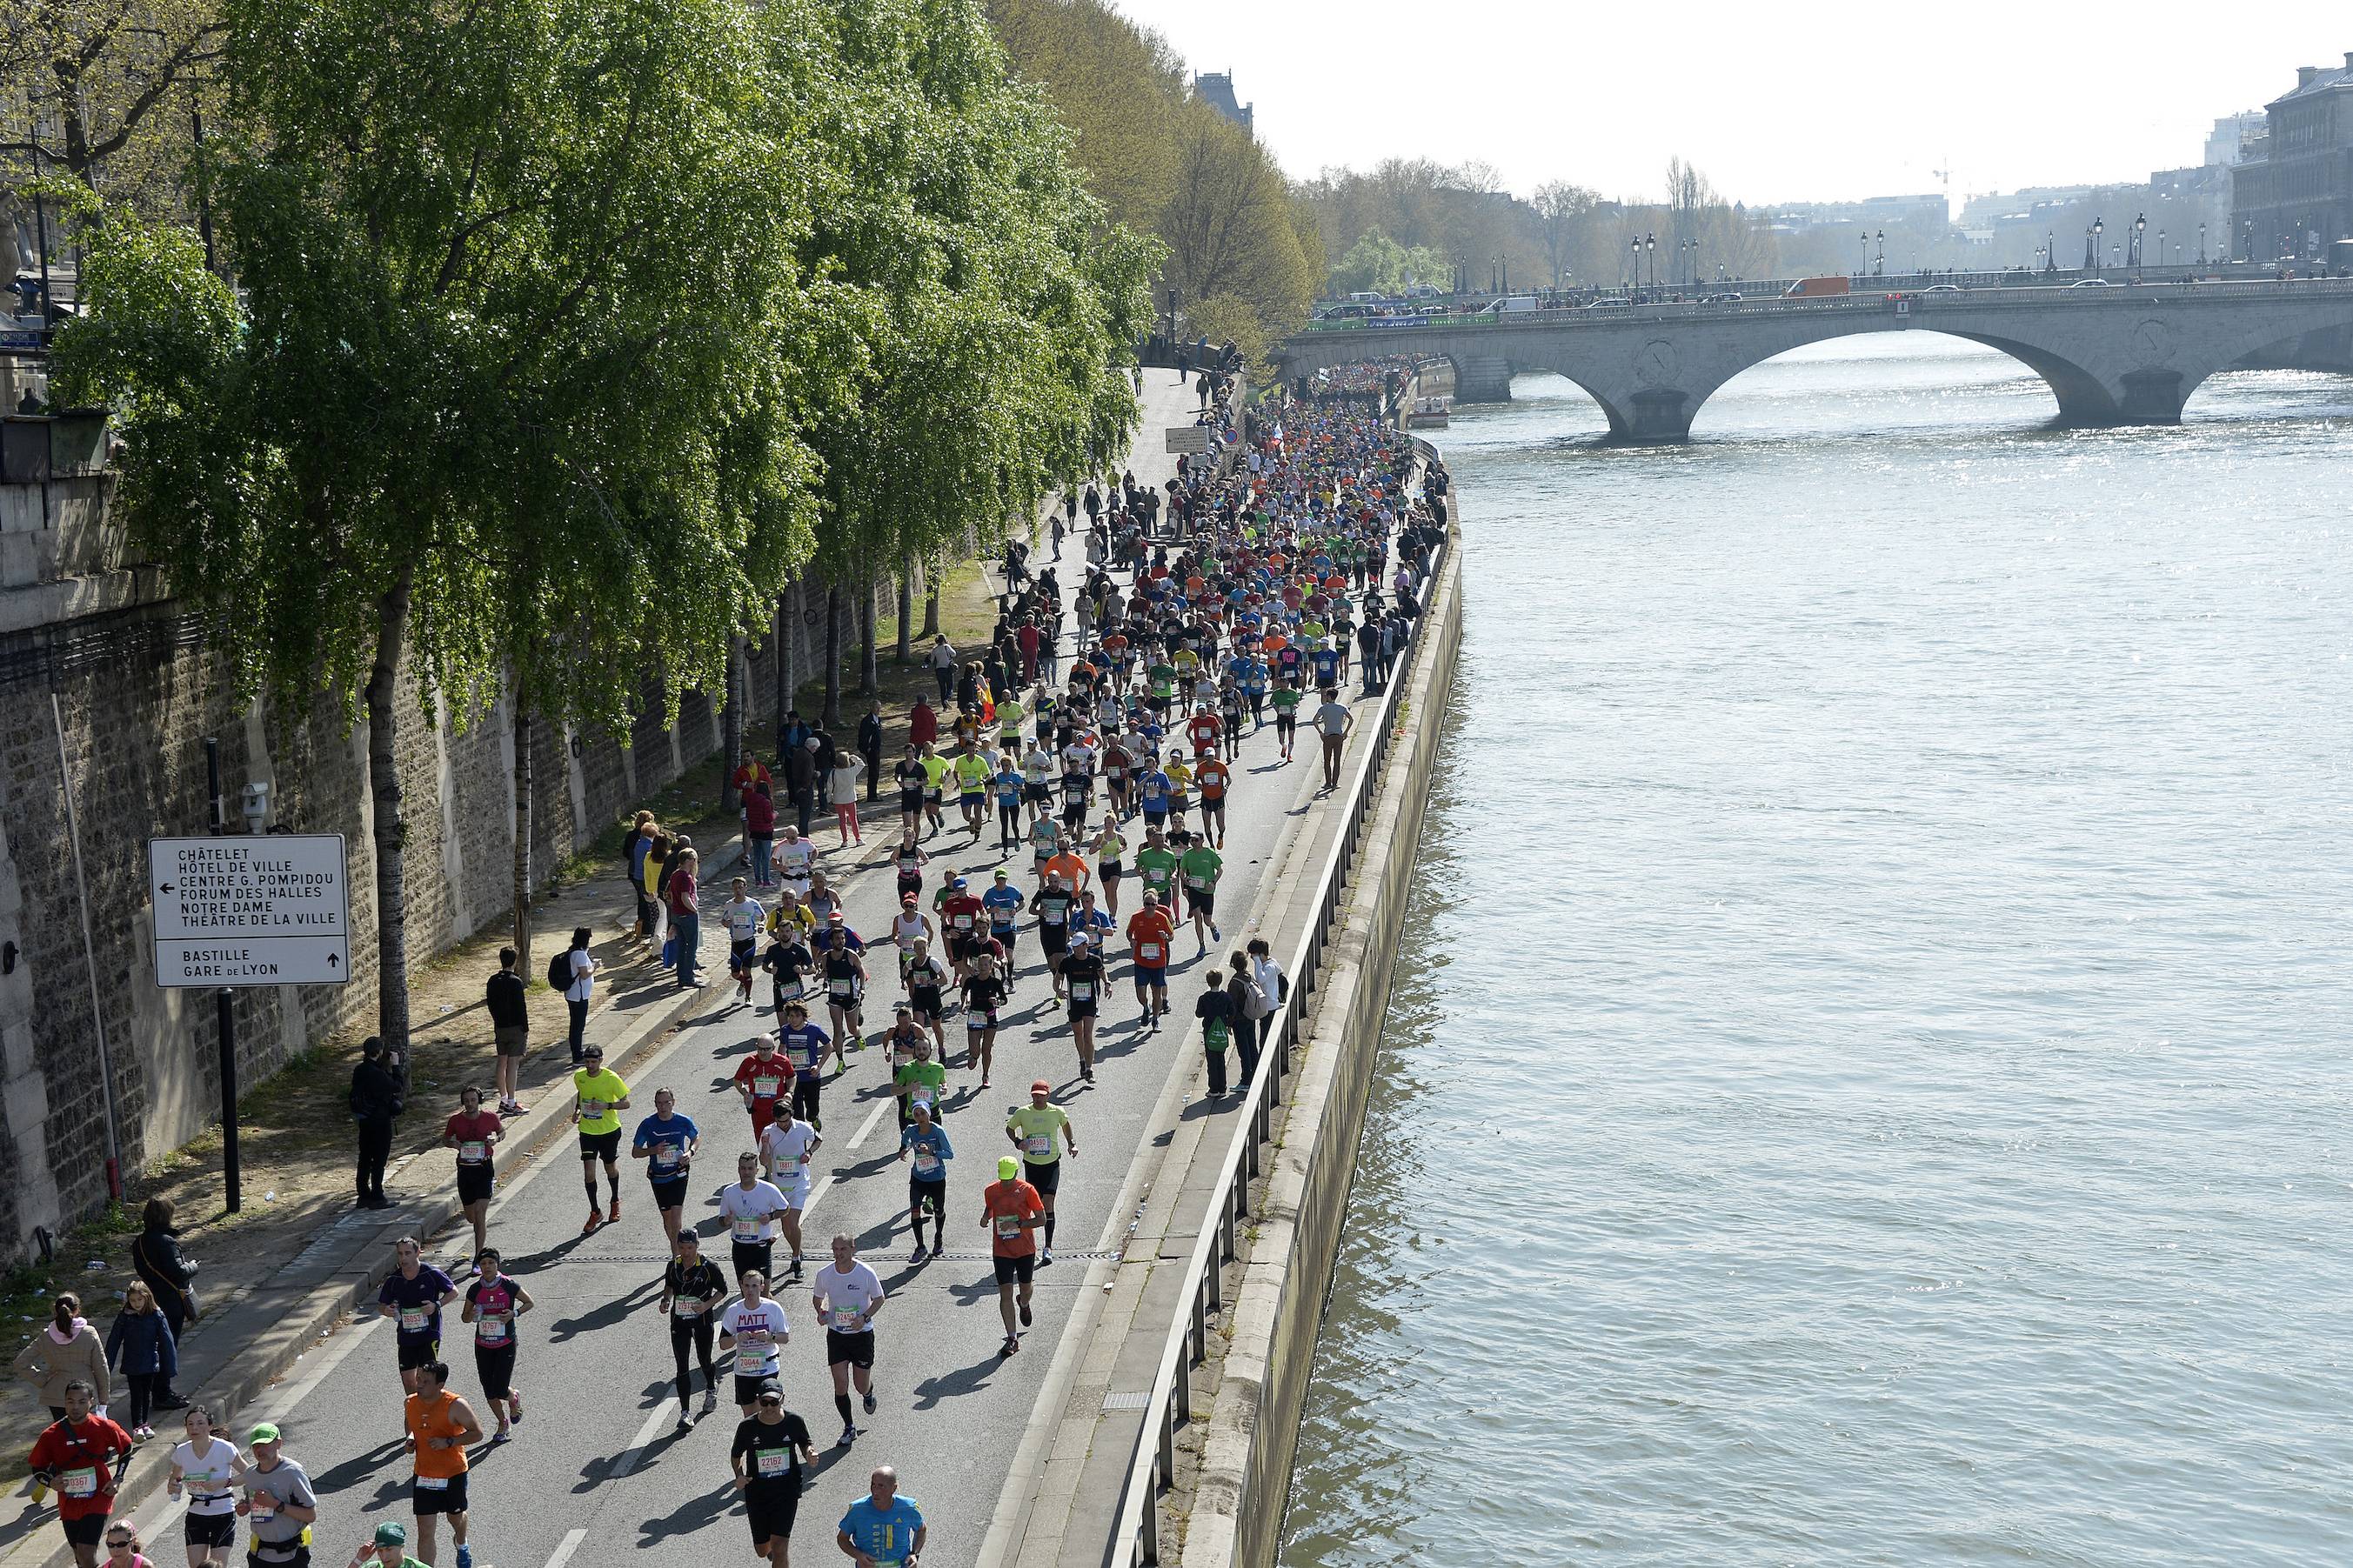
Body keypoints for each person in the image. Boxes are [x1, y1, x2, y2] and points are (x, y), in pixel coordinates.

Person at [26, 1380, 134, 1568]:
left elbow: (126, 1448)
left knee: (85, 1550)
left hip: (99, 1495)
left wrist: (118, 1479)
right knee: (79, 1554)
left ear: (91, 1402)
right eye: (70, 1401)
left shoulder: (104, 1426)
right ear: (64, 1402)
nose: (76, 1407)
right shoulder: (51, 1434)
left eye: (82, 1401)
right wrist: (50, 1482)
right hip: (69, 1501)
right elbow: (37, 1467)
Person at [730, 1379, 817, 1568]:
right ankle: (770, 1551)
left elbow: (804, 1443)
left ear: (782, 1399)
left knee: (780, 1547)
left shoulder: (794, 1421)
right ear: (758, 1400)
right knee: (762, 1550)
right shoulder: (747, 1427)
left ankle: (777, 1555)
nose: (769, 1407)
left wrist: (809, 1453)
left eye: (774, 1402)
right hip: (758, 1493)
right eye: (764, 1402)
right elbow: (736, 1455)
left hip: (787, 1491)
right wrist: (739, 1475)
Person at [810, 1235, 886, 1449]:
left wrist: (864, 1317)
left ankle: (868, 1393)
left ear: (853, 1249)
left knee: (860, 1385)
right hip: (837, 1336)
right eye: (835, 1249)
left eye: (843, 1249)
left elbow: (879, 1299)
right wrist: (821, 1312)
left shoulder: (865, 1273)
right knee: (840, 1384)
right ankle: (849, 1426)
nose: (838, 1253)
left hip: (861, 1336)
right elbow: (817, 1299)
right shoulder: (825, 1274)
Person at [400, 1362, 478, 1568]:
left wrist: (449, 1442)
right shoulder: (410, 1402)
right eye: (418, 1379)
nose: (419, 1384)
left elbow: (477, 1433)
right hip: (424, 1474)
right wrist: (410, 1441)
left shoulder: (455, 1405)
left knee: (455, 1518)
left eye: (426, 1381)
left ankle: (461, 1544)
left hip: (452, 1473)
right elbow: (412, 1427)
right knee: (425, 1531)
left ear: (440, 1384)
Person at [459, 1249, 532, 1443]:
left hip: (505, 1343)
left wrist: (514, 1314)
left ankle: (513, 1397)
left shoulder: (509, 1285)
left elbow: (529, 1302)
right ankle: (502, 1422)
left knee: (500, 1388)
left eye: (491, 1263)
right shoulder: (475, 1290)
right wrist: (473, 1314)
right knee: (488, 1389)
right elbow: (465, 1318)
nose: (487, 1267)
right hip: (483, 1344)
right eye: (483, 1264)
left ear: (497, 1264)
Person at [129, 1199, 195, 1409]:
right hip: (169, 1302)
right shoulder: (166, 1242)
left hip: (148, 1301)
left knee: (154, 1348)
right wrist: (193, 1266)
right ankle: (162, 1394)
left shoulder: (139, 1243)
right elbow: (178, 1271)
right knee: (167, 1348)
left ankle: (158, 1391)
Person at [660, 1230, 729, 1427]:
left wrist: (707, 1305)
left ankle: (710, 1386)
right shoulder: (673, 1265)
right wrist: (666, 1301)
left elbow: (723, 1290)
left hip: (702, 1320)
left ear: (697, 1246)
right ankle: (685, 1413)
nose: (686, 1252)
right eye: (682, 1248)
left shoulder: (708, 1267)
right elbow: (670, 1286)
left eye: (690, 1248)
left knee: (704, 1360)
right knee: (682, 1366)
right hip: (679, 1321)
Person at [981, 1156, 1046, 1357]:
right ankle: (1012, 1338)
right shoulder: (991, 1190)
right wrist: (985, 1218)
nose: (1007, 1183)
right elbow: (990, 1207)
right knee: (1005, 1294)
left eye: (1010, 1179)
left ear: (1017, 1173)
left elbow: (1042, 1219)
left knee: (1026, 1289)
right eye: (1004, 1179)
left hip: (1025, 1249)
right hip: (1001, 1250)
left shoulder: (1028, 1190)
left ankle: (1024, 1303)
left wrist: (1019, 1224)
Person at [165, 1404, 245, 1567]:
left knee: (217, 1566)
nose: (195, 1428)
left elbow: (249, 1474)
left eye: (200, 1423)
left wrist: (225, 1482)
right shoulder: (182, 1451)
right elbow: (174, 1480)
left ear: (210, 1426)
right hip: (196, 1514)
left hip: (223, 1512)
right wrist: (173, 1486)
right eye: (190, 1424)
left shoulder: (225, 1448)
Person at [1005, 1082, 1076, 1264]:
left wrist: (1071, 1143)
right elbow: (1009, 1128)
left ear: (1048, 1095)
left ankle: (1048, 1247)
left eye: (1042, 1095)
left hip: (1052, 1164)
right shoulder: (1023, 1112)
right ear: (1031, 1095)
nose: (1038, 1098)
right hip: (1032, 1164)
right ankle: (1028, 1244)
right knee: (1032, 1206)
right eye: (1035, 1095)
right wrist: (1018, 1142)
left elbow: (1066, 1125)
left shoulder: (1056, 1111)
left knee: (1048, 1203)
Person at [376, 1238, 457, 1397]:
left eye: (408, 1253)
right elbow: (381, 1305)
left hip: (429, 1333)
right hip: (406, 1336)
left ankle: (428, 1411)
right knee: (408, 1380)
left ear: (418, 1252)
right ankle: (415, 1411)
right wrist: (387, 1310)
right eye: (400, 1254)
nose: (403, 1258)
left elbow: (453, 1291)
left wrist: (436, 1305)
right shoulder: (394, 1280)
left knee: (424, 1377)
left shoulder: (431, 1273)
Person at [237, 1422, 318, 1568]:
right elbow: (251, 1501)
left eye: (265, 1444)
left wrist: (275, 1504)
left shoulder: (293, 1472)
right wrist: (245, 1506)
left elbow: (310, 1515)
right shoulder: (250, 1474)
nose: (259, 1450)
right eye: (255, 1446)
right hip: (259, 1555)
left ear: (278, 1443)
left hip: (291, 1556)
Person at [572, 1044, 632, 1235]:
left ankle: (614, 1200)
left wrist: (607, 1105)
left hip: (609, 1130)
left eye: (593, 1062)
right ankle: (595, 1211)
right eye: (587, 1062)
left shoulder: (611, 1078)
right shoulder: (579, 1077)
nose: (590, 1065)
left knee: (610, 1168)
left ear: (601, 1060)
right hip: (588, 1131)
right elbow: (581, 1094)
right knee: (589, 1173)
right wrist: (578, 1111)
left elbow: (627, 1102)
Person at [104, 1281, 177, 1438]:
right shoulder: (125, 1317)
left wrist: (170, 1366)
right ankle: (137, 1426)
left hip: (150, 1362)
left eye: (139, 1300)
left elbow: (167, 1342)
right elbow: (114, 1341)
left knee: (146, 1394)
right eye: (133, 1300)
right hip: (132, 1363)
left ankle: (144, 1424)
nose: (136, 1304)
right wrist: (106, 1366)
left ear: (147, 1298)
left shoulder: (156, 1315)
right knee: (136, 1395)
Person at [631, 1088, 700, 1248]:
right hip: (658, 1177)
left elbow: (696, 1138)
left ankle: (678, 1257)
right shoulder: (648, 1124)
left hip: (678, 1174)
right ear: (655, 1104)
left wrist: (690, 1152)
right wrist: (652, 1151)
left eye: (666, 1103)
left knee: (676, 1220)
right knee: (667, 1220)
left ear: (673, 1103)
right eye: (659, 1103)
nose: (663, 1107)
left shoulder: (683, 1121)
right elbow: (635, 1152)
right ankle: (676, 1250)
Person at [756, 1111, 822, 1279]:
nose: (783, 1124)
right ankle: (798, 1250)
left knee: (793, 1222)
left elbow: (818, 1139)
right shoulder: (768, 1131)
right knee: (786, 1227)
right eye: (780, 1121)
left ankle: (796, 1259)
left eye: (786, 1120)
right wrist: (765, 1145)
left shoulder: (802, 1127)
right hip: (779, 1185)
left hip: (799, 1183)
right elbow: (764, 1161)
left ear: (791, 1116)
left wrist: (809, 1153)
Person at [718, 1273, 792, 1418]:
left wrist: (770, 1337)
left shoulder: (773, 1308)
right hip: (744, 1369)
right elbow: (723, 1344)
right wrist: (736, 1338)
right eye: (746, 1286)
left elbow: (785, 1338)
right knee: (749, 1416)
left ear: (762, 1287)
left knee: (764, 1412)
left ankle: (769, 1439)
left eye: (754, 1286)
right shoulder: (734, 1310)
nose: (750, 1290)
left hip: (767, 1367)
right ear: (741, 1286)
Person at [441, 1087, 502, 1259]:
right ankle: (475, 1225)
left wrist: (495, 1139)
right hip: (465, 1170)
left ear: (479, 1100)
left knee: (480, 1213)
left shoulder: (490, 1117)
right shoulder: (455, 1120)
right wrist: (452, 1144)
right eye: (466, 1101)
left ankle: (478, 1257)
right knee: (470, 1217)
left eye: (473, 1100)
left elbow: (501, 1132)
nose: (469, 1104)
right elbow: (445, 1139)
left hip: (484, 1168)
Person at [719, 1153, 792, 1286]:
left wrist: (770, 1217)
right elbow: (721, 1220)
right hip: (740, 1247)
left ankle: (772, 1307)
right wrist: (726, 1221)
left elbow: (785, 1208)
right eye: (743, 1168)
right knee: (746, 1291)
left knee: (763, 1290)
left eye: (750, 1169)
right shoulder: (729, 1192)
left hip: (761, 1247)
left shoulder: (768, 1189)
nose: (746, 1172)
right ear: (738, 1169)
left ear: (756, 1170)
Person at [349, 1038, 402, 1210]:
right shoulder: (377, 1074)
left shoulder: (360, 1070)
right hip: (380, 1121)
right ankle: (377, 1195)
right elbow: (397, 1086)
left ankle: (363, 1195)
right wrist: (395, 1066)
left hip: (364, 1120)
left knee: (364, 1157)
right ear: (379, 1052)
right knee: (379, 1159)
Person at [897, 1101, 953, 1263]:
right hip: (918, 1178)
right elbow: (906, 1139)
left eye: (922, 1113)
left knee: (938, 1211)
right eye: (916, 1114)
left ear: (929, 1114)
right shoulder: (911, 1130)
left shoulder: (938, 1131)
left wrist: (933, 1152)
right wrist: (904, 1149)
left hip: (936, 1178)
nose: (920, 1117)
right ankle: (920, 1247)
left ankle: (938, 1237)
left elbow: (950, 1154)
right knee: (915, 1212)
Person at [836, 1467, 924, 1568]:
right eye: (873, 1485)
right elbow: (842, 1538)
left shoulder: (908, 1508)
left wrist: (914, 1554)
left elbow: (921, 1530)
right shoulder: (857, 1510)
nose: (875, 1491)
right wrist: (859, 1555)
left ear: (893, 1488)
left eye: (881, 1486)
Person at [484, 950, 528, 1114]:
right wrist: (525, 1028)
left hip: (500, 1026)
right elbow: (520, 1007)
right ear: (514, 961)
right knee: (513, 1065)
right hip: (515, 1027)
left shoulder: (493, 980)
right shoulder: (515, 981)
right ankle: (511, 1101)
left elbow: (490, 1003)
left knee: (501, 1062)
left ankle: (503, 1099)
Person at [776, 1002, 832, 1131]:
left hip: (811, 1077)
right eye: (790, 1016)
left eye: (796, 1016)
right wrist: (782, 1067)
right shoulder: (785, 1030)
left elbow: (829, 1046)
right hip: (793, 1078)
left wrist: (818, 1067)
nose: (793, 1019)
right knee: (797, 1114)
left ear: (803, 1017)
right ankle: (801, 1137)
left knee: (812, 1110)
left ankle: (814, 1118)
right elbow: (783, 1047)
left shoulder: (814, 1029)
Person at [1060, 932, 1106, 1082]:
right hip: (1073, 1003)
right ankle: (1082, 1059)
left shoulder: (1095, 960)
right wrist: (1058, 990)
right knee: (1078, 1034)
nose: (1074, 949)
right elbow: (1058, 979)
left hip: (1090, 1002)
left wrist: (1108, 984)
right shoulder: (1067, 962)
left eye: (1077, 946)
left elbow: (1102, 971)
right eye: (1073, 946)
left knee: (1088, 1034)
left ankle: (1089, 1068)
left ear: (1086, 945)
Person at [1125, 891, 1174, 1024]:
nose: (1150, 907)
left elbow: (1172, 935)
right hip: (1141, 961)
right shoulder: (1136, 917)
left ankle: (1156, 1019)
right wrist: (1132, 940)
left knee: (1156, 993)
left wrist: (1166, 937)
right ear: (1143, 904)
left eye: (1153, 904)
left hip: (1158, 963)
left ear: (1157, 905)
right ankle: (1146, 1007)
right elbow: (1129, 932)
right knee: (1140, 993)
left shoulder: (1162, 918)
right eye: (1147, 904)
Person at [724, 879, 766, 1007]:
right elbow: (724, 919)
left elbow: (763, 916)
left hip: (749, 942)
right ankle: (744, 982)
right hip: (736, 943)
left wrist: (761, 925)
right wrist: (725, 923)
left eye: (740, 888)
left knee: (747, 970)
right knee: (735, 974)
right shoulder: (729, 905)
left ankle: (748, 997)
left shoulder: (752, 903)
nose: (738, 891)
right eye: (735, 888)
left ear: (745, 888)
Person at [666, 845, 703, 987]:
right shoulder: (686, 877)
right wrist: (694, 910)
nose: (695, 862)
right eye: (694, 859)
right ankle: (689, 977)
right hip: (687, 915)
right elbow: (685, 897)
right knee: (691, 946)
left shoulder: (675, 874)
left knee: (682, 946)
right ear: (688, 860)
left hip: (676, 914)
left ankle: (682, 977)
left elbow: (671, 895)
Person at [1196, 975, 1239, 1097]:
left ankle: (1213, 1088)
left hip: (1209, 1031)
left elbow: (1199, 1013)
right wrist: (1229, 1024)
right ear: (1220, 981)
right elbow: (1232, 1011)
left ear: (1208, 982)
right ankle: (1222, 1087)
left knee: (1211, 1060)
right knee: (1221, 1058)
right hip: (1221, 1030)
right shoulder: (1226, 997)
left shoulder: (1204, 998)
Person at [1180, 834, 1223, 950]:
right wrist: (1184, 879)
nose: (1193, 842)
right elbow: (1182, 870)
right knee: (1197, 918)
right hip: (1194, 889)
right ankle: (1202, 945)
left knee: (1207, 921)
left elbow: (1220, 870)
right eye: (1192, 840)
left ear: (1202, 841)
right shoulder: (1188, 854)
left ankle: (1213, 927)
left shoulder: (1209, 853)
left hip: (1207, 891)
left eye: (1196, 840)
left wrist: (1213, 882)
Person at [560, 926, 596, 1061]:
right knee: (578, 1026)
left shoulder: (573, 951)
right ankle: (577, 1055)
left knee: (575, 1024)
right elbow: (585, 974)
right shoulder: (579, 954)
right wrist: (594, 967)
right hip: (579, 995)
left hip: (572, 994)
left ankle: (577, 1052)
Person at [1312, 687, 1354, 791]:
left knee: (1327, 760)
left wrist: (1320, 732)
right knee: (1337, 760)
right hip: (1339, 736)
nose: (1325, 697)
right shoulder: (1342, 707)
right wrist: (1346, 732)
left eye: (1326, 695)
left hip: (1327, 736)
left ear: (1330, 697)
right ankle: (1335, 783)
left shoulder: (1323, 708)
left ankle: (1328, 782)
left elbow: (1315, 721)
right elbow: (1351, 719)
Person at [346, 1521, 424, 1568]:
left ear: (401, 1545)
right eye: (380, 1550)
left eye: (389, 1549)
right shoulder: (373, 1567)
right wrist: (358, 1561)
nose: (384, 1556)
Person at [831, 751, 866, 845]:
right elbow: (861, 764)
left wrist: (829, 798)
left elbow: (829, 786)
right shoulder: (851, 771)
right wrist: (853, 757)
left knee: (842, 820)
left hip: (838, 799)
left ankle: (845, 840)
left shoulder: (834, 772)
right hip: (850, 798)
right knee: (853, 819)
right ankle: (858, 839)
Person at [858, 704, 884, 804]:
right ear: (871, 708)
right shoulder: (867, 720)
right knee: (873, 771)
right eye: (877, 707)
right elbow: (863, 735)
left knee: (876, 771)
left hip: (877, 749)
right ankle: (871, 795)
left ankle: (874, 793)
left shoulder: (878, 719)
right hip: (871, 750)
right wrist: (867, 748)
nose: (878, 710)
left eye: (879, 708)